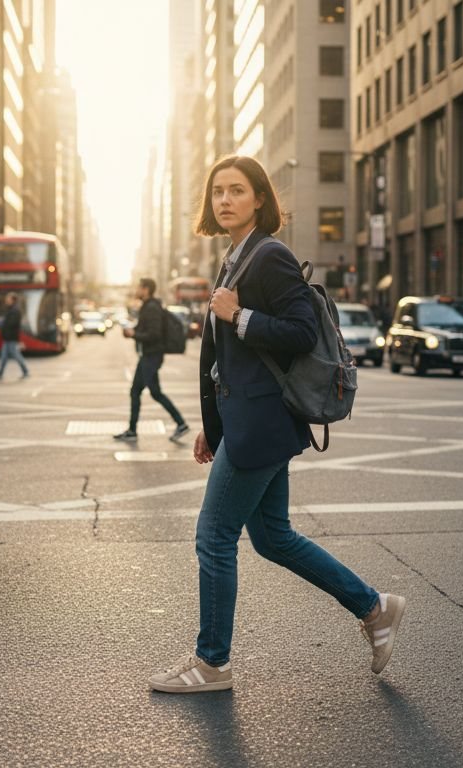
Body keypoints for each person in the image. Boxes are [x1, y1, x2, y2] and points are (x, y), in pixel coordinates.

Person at [147, 155, 405, 694]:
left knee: (214, 535)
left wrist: (238, 315)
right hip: (249, 421)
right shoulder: (234, 257)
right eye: (217, 191)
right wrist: (211, 426)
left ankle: (211, 663)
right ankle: (374, 607)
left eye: (237, 191)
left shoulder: (269, 257)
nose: (224, 201)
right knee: (273, 538)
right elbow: (227, 361)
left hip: (261, 426)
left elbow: (300, 331)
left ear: (260, 199)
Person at [113, 279, 188, 442]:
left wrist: (134, 334)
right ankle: (134, 430)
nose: (137, 290)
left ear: (146, 289)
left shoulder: (152, 308)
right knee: (145, 392)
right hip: (148, 356)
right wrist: (134, 332)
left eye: (139, 287)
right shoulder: (148, 306)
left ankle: (180, 423)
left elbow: (155, 334)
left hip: (152, 356)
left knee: (146, 393)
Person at [0, 293, 30, 380]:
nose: (6, 300)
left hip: (11, 338)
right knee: (3, 357)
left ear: (13, 300)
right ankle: (0, 374)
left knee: (16, 355)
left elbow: (12, 324)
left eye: (8, 299)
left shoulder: (15, 311)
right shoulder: (11, 310)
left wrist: (2, 324)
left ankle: (25, 371)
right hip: (7, 338)